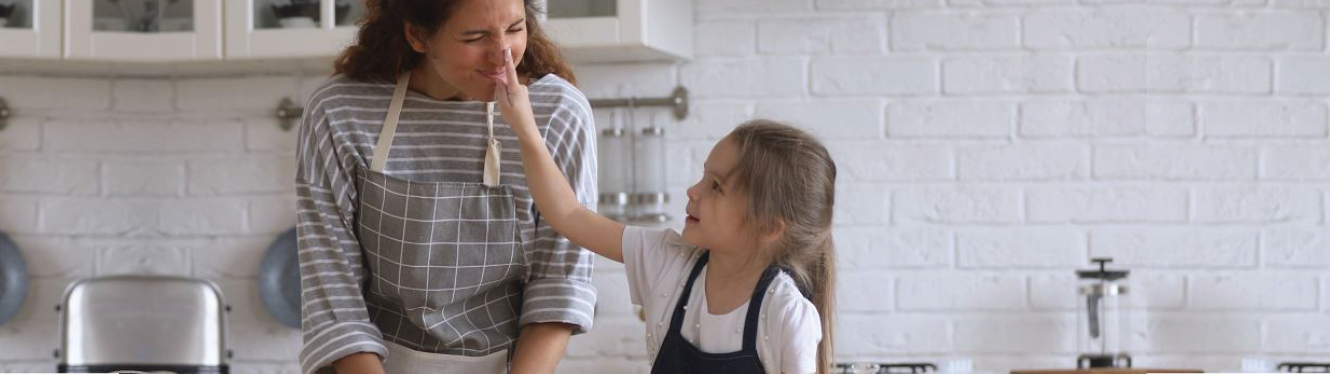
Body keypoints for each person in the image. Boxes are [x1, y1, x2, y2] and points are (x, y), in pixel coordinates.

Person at [490, 48, 838, 374]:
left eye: (716, 186)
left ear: (768, 226)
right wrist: (525, 129)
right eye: (704, 176)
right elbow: (568, 215)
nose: (693, 191)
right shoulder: (669, 263)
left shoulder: (785, 313)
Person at [294, 0, 597, 372]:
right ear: (418, 35)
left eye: (516, 29)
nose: (502, 56)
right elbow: (332, 289)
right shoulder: (340, 110)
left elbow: (559, 284)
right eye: (475, 36)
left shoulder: (557, 112)